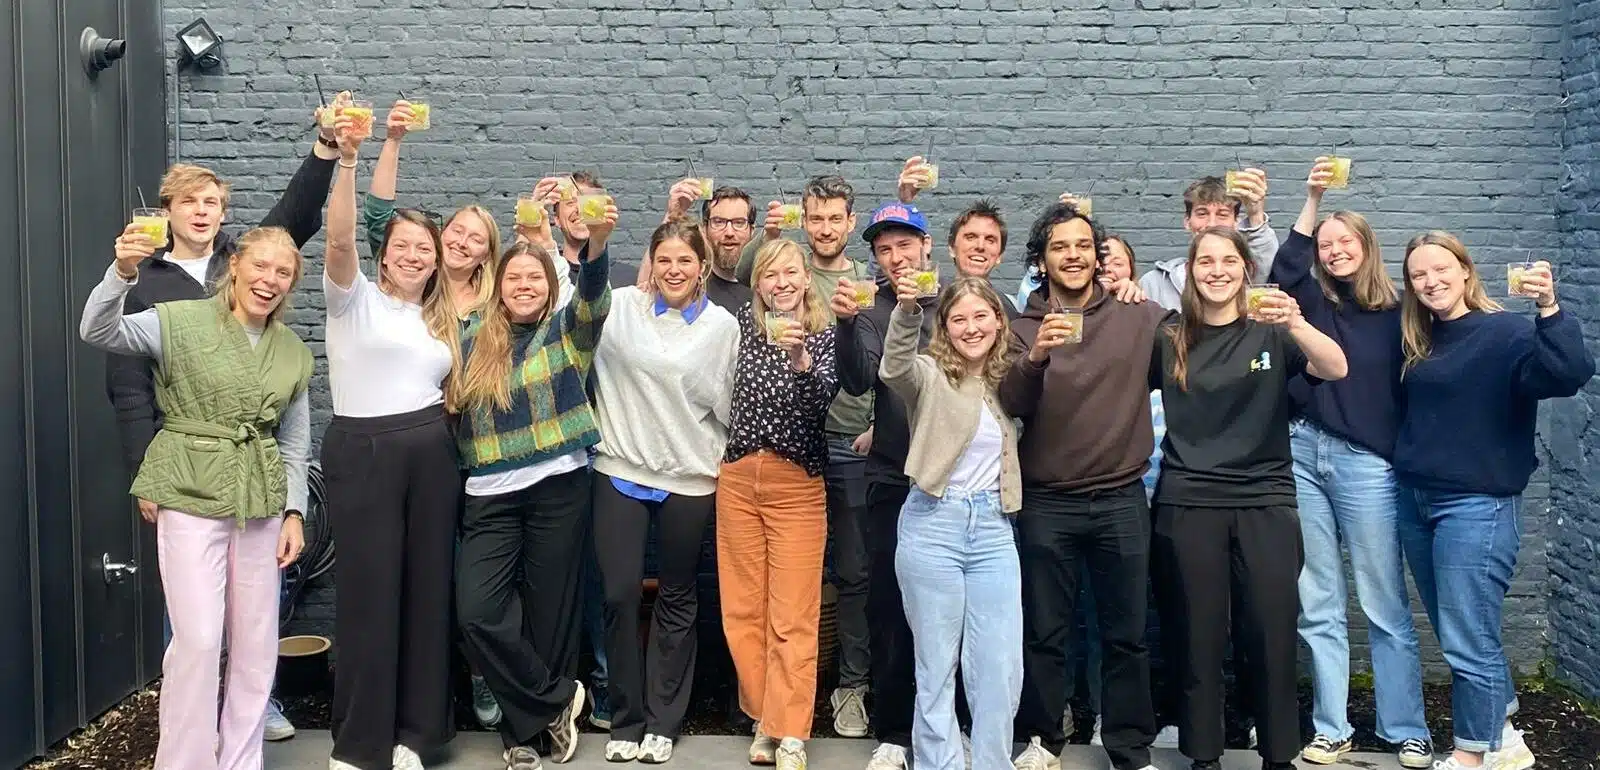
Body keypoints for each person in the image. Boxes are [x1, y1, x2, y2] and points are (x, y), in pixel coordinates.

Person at [104, 107, 339, 742]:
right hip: (184, 469)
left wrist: (325, 148)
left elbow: (293, 219)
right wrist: (146, 471)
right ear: (167, 212)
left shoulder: (248, 276)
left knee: (255, 630)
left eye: (212, 202)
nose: (203, 211)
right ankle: (189, 740)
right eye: (190, 202)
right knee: (197, 632)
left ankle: (245, 732)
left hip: (253, 483)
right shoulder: (151, 284)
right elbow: (126, 383)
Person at [81, 224, 312, 770]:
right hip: (189, 489)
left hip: (260, 500)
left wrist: (294, 512)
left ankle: (241, 760)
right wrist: (122, 273)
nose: (270, 280)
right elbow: (98, 329)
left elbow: (295, 442)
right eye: (261, 266)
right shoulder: (178, 322)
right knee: (200, 639)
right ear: (235, 266)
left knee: (256, 645)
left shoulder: (294, 352)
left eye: (283, 272)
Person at [1148, 226, 1347, 770]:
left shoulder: (1271, 331)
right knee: (1197, 637)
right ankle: (1204, 757)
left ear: (1245, 268)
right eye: (1205, 261)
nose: (1216, 271)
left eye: (1227, 260)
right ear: (1190, 272)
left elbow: (1336, 367)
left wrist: (1296, 322)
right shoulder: (1168, 337)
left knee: (1271, 635)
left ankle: (1279, 755)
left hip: (1266, 501)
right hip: (1188, 502)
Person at [1394, 233, 1594, 770]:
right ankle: (1503, 737)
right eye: (1418, 274)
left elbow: (1569, 374)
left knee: (1468, 637)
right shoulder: (1418, 337)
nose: (1431, 281)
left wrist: (1548, 307)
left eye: (1441, 269)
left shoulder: (1506, 332)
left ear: (1465, 270)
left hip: (1476, 506)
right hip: (1416, 500)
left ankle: (1470, 757)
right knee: (1459, 629)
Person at [1272, 160, 1433, 768]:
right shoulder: (1311, 299)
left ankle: (1406, 727)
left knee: (1383, 601)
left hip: (1367, 464)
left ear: (1367, 248)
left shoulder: (1399, 311)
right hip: (1303, 453)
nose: (1335, 251)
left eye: (1347, 242)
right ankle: (1331, 727)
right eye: (1326, 244)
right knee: (1318, 601)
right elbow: (1284, 269)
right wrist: (1313, 198)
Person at [320, 107, 465, 770]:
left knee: (427, 594)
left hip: (432, 453)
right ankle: (360, 741)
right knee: (368, 597)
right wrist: (354, 158)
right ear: (384, 254)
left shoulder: (440, 318)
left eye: (424, 249)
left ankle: (419, 735)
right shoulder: (353, 298)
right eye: (402, 246)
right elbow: (342, 236)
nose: (413, 255)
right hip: (366, 453)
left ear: (437, 261)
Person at [1001, 204, 1166, 770]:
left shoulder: (1136, 315)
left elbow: (1194, 352)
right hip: (1048, 501)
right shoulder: (1021, 329)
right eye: (1059, 247)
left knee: (1127, 633)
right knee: (1046, 631)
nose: (1072, 255)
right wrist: (1037, 357)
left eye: (1082, 245)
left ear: (1098, 256)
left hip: (1121, 497)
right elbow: (1010, 403)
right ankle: (1043, 739)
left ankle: (1129, 748)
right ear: (1040, 262)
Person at [453, 201, 616, 769]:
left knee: (551, 616)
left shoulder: (567, 332)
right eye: (514, 278)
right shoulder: (471, 338)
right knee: (477, 611)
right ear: (498, 287)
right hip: (489, 494)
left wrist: (596, 243)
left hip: (558, 487)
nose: (524, 286)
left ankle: (525, 736)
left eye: (534, 278)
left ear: (549, 287)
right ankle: (556, 700)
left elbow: (594, 298)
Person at [590, 219, 741, 763]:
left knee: (678, 594)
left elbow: (728, 404)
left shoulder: (722, 327)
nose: (674, 270)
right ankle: (625, 720)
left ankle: (663, 722)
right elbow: (576, 294)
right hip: (620, 467)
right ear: (650, 263)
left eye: (685, 261)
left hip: (689, 476)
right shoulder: (620, 307)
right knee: (619, 594)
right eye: (665, 260)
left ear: (702, 267)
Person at [741, 175, 877, 739]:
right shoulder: (784, 271)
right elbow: (743, 270)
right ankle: (779, 702)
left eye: (834, 218)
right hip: (793, 451)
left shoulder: (865, 282)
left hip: (851, 444)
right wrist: (769, 236)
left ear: (850, 222)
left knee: (853, 572)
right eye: (815, 217)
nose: (824, 228)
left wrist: (878, 422)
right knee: (787, 587)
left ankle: (851, 687)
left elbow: (879, 358)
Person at [878, 273, 1023, 770]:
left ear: (998, 320)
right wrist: (907, 312)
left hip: (993, 528)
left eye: (981, 315)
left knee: (999, 664)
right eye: (958, 319)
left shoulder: (1009, 381)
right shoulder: (928, 373)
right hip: (933, 524)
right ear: (945, 328)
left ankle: (992, 762)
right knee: (936, 664)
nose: (971, 327)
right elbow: (894, 367)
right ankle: (939, 763)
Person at [717, 238, 840, 770]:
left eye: (790, 272)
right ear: (757, 283)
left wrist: (798, 357)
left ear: (807, 278)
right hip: (739, 479)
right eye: (770, 274)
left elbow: (819, 406)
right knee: (743, 610)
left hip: (797, 484)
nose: (781, 283)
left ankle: (789, 730)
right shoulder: (739, 325)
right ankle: (765, 717)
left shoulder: (825, 333)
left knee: (793, 612)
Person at [830, 203, 940, 770]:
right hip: (892, 477)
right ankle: (894, 732)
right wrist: (847, 325)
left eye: (905, 245)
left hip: (951, 482)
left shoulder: (956, 304)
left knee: (948, 611)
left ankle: (947, 726)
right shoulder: (871, 307)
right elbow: (858, 379)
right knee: (889, 608)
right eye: (884, 249)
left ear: (926, 245)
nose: (896, 257)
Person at [363, 99, 516, 328]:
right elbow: (378, 214)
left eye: (476, 239)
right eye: (457, 231)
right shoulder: (415, 278)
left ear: (486, 256)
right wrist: (393, 140)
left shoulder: (495, 305)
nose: (462, 242)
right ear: (441, 235)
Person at [1138, 173, 1279, 311]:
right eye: (1202, 214)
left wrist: (1256, 215)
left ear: (1236, 222)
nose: (1212, 223)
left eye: (1222, 214)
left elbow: (1264, 256)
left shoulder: (1246, 277)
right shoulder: (1154, 283)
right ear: (1187, 221)